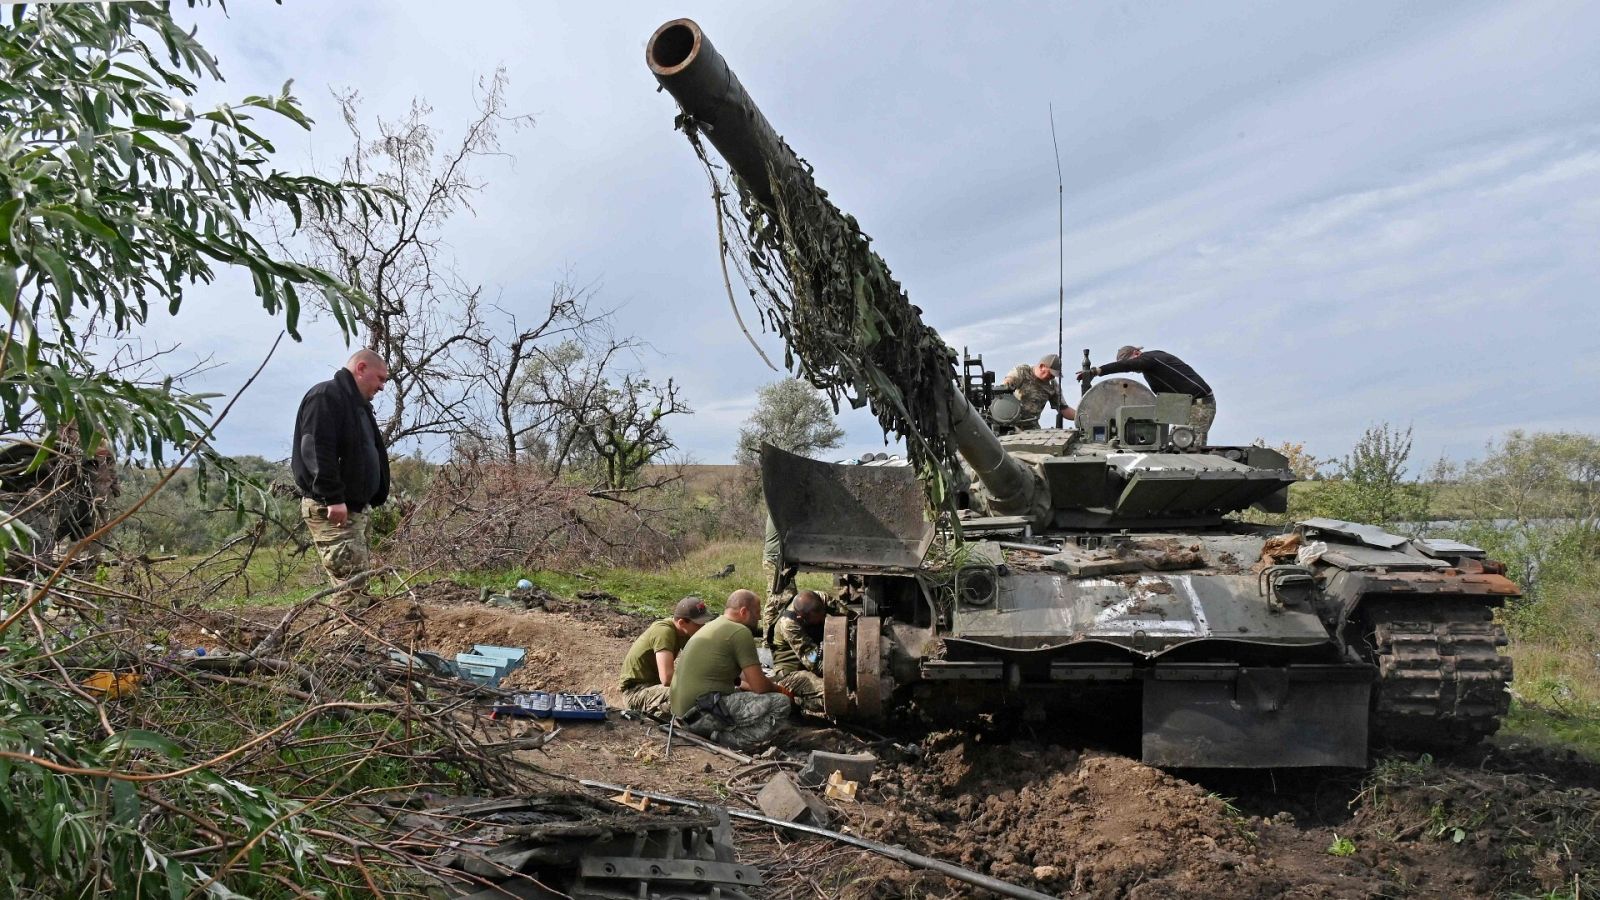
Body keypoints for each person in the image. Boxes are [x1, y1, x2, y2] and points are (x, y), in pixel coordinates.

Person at [291, 349, 391, 586]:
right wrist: (334, 498)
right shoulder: (326, 396)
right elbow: (316, 450)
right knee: (351, 589)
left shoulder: (357, 405)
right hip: (332, 509)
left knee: (355, 587)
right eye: (380, 378)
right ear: (361, 368)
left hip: (353, 508)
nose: (382, 387)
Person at [670, 589, 793, 749]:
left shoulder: (714, 626)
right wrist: (781, 690)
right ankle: (728, 739)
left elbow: (743, 679)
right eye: (757, 612)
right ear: (743, 612)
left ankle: (718, 731)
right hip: (701, 713)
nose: (759, 617)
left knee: (745, 695)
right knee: (781, 703)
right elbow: (760, 687)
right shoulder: (740, 632)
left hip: (681, 713)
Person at [1080, 346, 1216, 444]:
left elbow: (1126, 366)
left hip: (1199, 404)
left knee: (1191, 445)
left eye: (1131, 362)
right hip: (1182, 405)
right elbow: (1163, 400)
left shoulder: (1150, 359)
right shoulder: (1151, 370)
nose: (1133, 368)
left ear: (1137, 353)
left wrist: (1097, 371)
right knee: (1172, 445)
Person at [616, 596, 716, 717]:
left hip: (652, 688)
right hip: (636, 692)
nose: (703, 627)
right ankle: (655, 719)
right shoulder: (664, 632)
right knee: (685, 694)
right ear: (682, 622)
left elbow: (700, 660)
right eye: (698, 624)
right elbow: (667, 678)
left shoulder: (683, 632)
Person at [769, 591, 829, 713]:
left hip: (814, 660)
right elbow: (813, 661)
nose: (822, 620)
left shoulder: (820, 598)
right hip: (792, 673)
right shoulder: (789, 624)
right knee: (834, 693)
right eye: (817, 620)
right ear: (802, 618)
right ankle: (797, 702)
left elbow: (850, 616)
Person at [1000, 353, 1076, 429]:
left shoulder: (1052, 385)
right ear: (1042, 366)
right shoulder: (1022, 372)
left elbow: (1064, 409)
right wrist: (1008, 382)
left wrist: (1081, 416)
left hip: (1032, 428)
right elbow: (1006, 385)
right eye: (1051, 373)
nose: (1052, 377)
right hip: (1010, 425)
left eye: (1054, 375)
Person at [760, 513, 798, 642]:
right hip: (776, 560)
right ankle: (778, 639)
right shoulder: (781, 510)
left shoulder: (779, 508)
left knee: (773, 599)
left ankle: (768, 639)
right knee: (787, 599)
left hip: (776, 559)